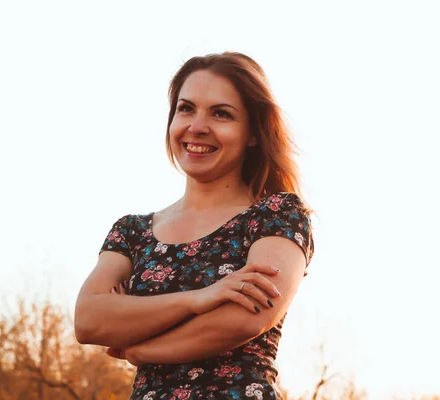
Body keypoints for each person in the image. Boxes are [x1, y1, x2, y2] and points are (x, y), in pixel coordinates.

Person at [74, 51, 314, 400]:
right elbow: (88, 319)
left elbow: (244, 320)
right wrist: (199, 299)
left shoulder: (277, 214)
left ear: (252, 132)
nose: (197, 126)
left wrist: (140, 350)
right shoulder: (132, 232)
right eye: (186, 109)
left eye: (221, 114)